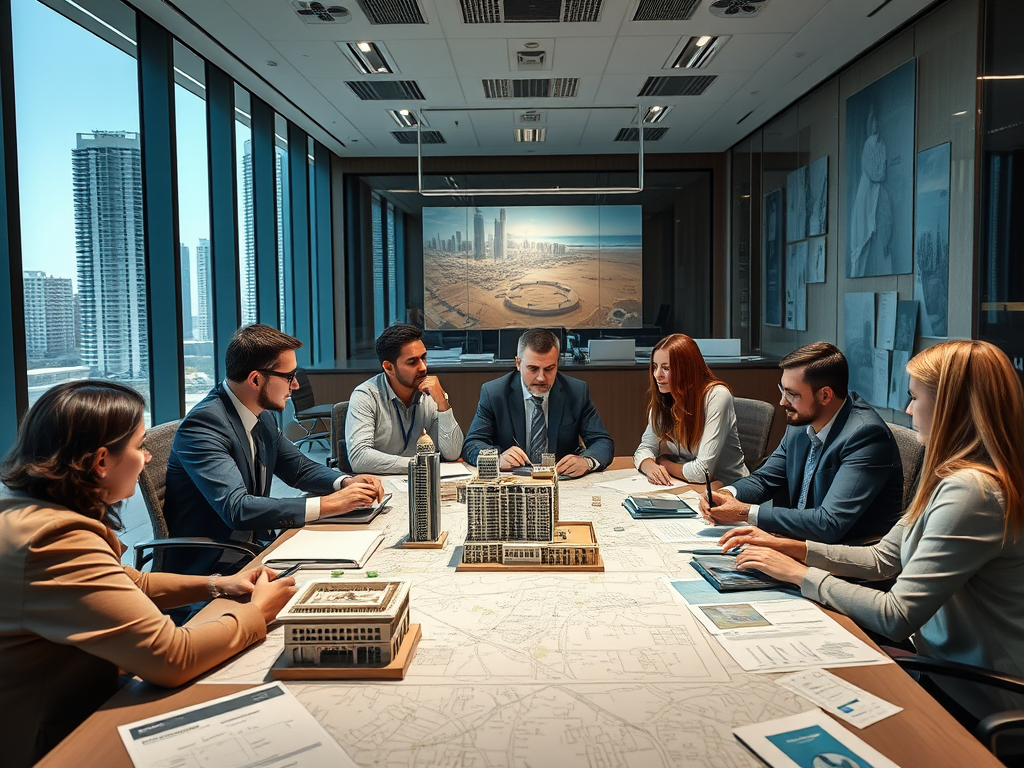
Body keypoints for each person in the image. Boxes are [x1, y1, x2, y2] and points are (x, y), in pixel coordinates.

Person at [0, 381, 297, 768]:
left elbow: (123, 580)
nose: (148, 459)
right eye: (140, 446)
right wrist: (256, 613)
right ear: (101, 461)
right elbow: (172, 657)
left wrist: (215, 585)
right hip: (59, 736)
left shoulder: (30, 511)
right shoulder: (54, 540)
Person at [721, 341, 1024, 720]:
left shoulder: (972, 493)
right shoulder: (952, 476)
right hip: (938, 665)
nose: (909, 409)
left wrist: (799, 574)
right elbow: (883, 558)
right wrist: (790, 549)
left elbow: (896, 615)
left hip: (973, 693)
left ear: (950, 407)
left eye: (914, 398)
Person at [164, 324, 383, 574]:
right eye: (289, 377)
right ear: (256, 379)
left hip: (255, 551)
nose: (296, 386)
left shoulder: (260, 415)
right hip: (215, 567)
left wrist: (345, 483)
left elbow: (298, 469)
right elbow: (238, 509)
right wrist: (328, 505)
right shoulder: (204, 426)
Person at [700, 342, 903, 544]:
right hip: (795, 543)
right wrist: (726, 495)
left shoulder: (866, 436)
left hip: (842, 558)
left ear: (825, 395)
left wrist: (745, 512)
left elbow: (829, 524)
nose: (782, 402)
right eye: (782, 390)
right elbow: (764, 480)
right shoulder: (800, 423)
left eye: (792, 394)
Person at [462, 328, 613, 477]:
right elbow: (472, 444)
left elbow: (602, 442)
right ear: (518, 363)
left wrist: (587, 462)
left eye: (549, 369)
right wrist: (497, 459)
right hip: (514, 480)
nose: (541, 378)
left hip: (561, 480)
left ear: (557, 364)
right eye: (533, 369)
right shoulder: (495, 393)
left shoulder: (576, 392)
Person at [346, 324, 464, 474]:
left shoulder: (431, 394)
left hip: (423, 482)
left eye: (424, 358)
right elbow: (359, 458)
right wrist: (416, 464)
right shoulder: (366, 396)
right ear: (389, 368)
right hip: (381, 485)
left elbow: (452, 453)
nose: (423, 368)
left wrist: (442, 403)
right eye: (412, 362)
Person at [635, 334, 749, 486]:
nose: (657, 375)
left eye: (666, 368)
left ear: (686, 369)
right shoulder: (666, 399)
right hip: (687, 485)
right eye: (655, 367)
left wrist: (664, 462)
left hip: (731, 490)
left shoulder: (717, 396)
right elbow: (645, 448)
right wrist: (649, 464)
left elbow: (702, 473)